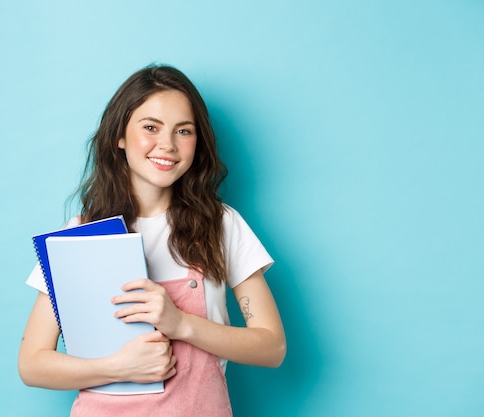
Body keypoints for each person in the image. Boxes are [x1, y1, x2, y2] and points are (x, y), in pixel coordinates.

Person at [18, 64, 286, 417]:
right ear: (120, 136)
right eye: (150, 127)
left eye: (184, 131)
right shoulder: (82, 234)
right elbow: (32, 363)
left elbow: (272, 347)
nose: (168, 145)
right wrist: (118, 367)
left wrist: (182, 324)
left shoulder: (222, 225)